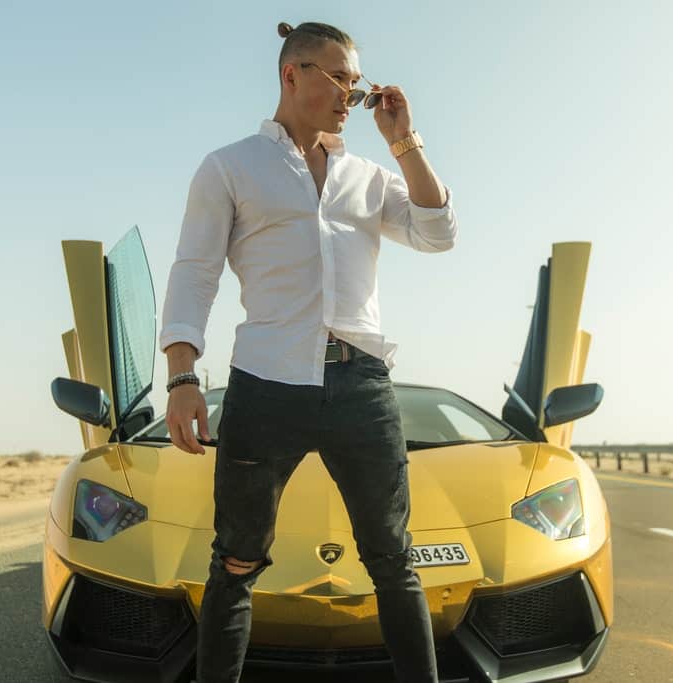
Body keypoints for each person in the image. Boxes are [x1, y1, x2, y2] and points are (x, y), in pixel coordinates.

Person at [158, 20, 458, 683]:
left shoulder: (370, 177)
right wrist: (182, 374)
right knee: (235, 560)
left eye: (356, 78)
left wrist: (403, 140)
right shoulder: (230, 166)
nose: (350, 90)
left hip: (362, 387)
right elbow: (194, 272)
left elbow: (438, 233)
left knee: (392, 560)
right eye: (337, 75)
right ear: (291, 74)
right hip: (265, 386)